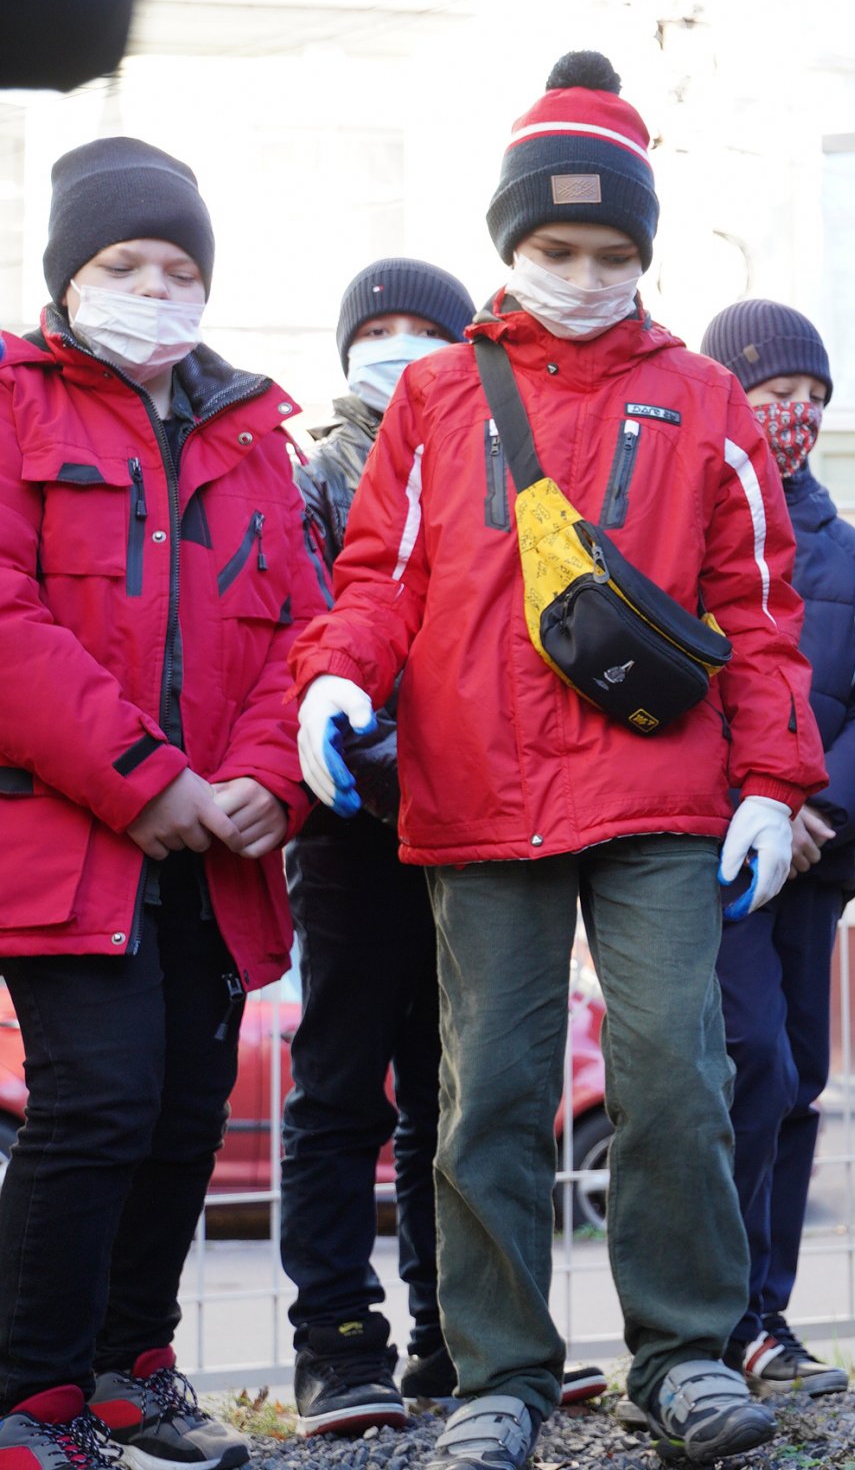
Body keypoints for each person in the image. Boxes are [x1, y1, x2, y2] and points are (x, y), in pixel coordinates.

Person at [286, 53, 825, 1470]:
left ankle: (686, 1353)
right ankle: (499, 1375)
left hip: (658, 793)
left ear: (643, 253)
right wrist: (337, 670)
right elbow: (379, 574)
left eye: (609, 251)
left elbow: (761, 607)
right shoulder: (436, 399)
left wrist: (776, 782)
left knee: (675, 1074)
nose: (582, 275)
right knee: (490, 1097)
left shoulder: (705, 399)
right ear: (509, 243)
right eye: (554, 247)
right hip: (478, 793)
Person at [0, 138, 325, 1470]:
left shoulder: (252, 435)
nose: (153, 289)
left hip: (216, 850)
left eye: (178, 267)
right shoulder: (12, 401)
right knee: (97, 1103)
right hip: (68, 835)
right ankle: (30, 1398)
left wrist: (265, 780)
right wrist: (148, 779)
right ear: (68, 275)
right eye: (123, 263)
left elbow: (306, 632)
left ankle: (131, 1368)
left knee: (190, 1110)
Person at [694, 300, 855, 1397]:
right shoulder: (681, 524)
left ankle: (763, 1317)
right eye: (777, 394)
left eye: (814, 398)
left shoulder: (841, 548)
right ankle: (717, 1315)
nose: (798, 416)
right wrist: (755, 803)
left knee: (798, 1078)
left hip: (812, 858)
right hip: (712, 861)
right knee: (750, 1063)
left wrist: (815, 808)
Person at [279, 258, 472, 1436]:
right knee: (341, 1085)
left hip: (472, 828)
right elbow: (312, 636)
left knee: (457, 1092)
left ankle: (456, 1336)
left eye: (422, 329)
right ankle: (338, 1344)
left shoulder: (493, 470)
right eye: (377, 328)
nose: (397, 347)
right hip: (352, 826)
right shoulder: (310, 480)